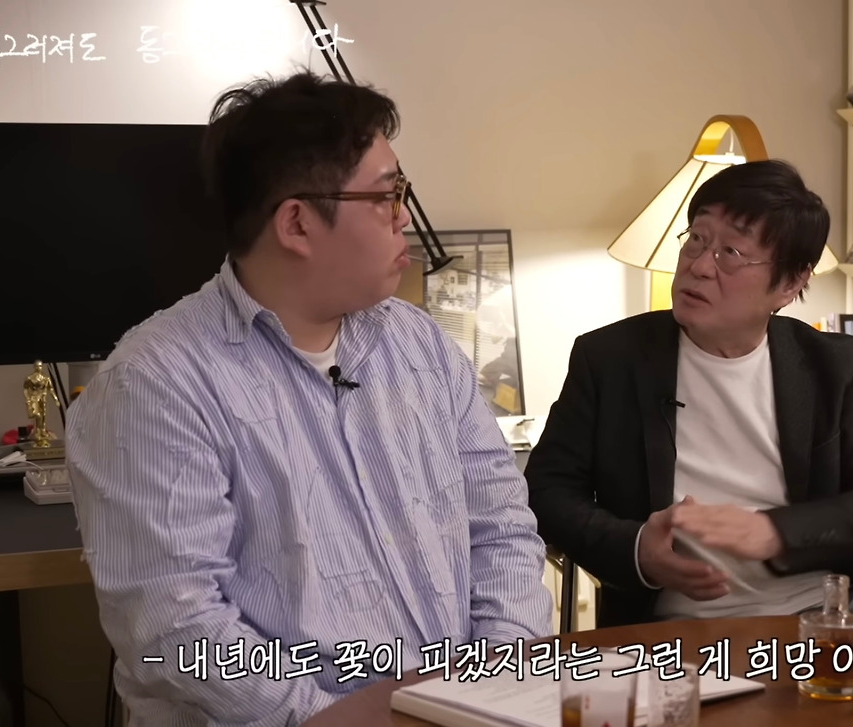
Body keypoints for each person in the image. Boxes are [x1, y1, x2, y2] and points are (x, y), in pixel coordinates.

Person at [66, 71, 552, 726]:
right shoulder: (154, 383)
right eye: (386, 195)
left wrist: (492, 684)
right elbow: (174, 627)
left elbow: (502, 526)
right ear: (296, 223)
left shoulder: (420, 345)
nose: (405, 216)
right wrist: (339, 719)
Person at [524, 160, 853, 627]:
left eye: (730, 252)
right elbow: (546, 493)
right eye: (696, 239)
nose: (698, 266)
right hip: (679, 626)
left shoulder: (832, 364)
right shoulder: (610, 359)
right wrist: (638, 550)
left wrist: (772, 532)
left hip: (830, 613)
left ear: (790, 283)